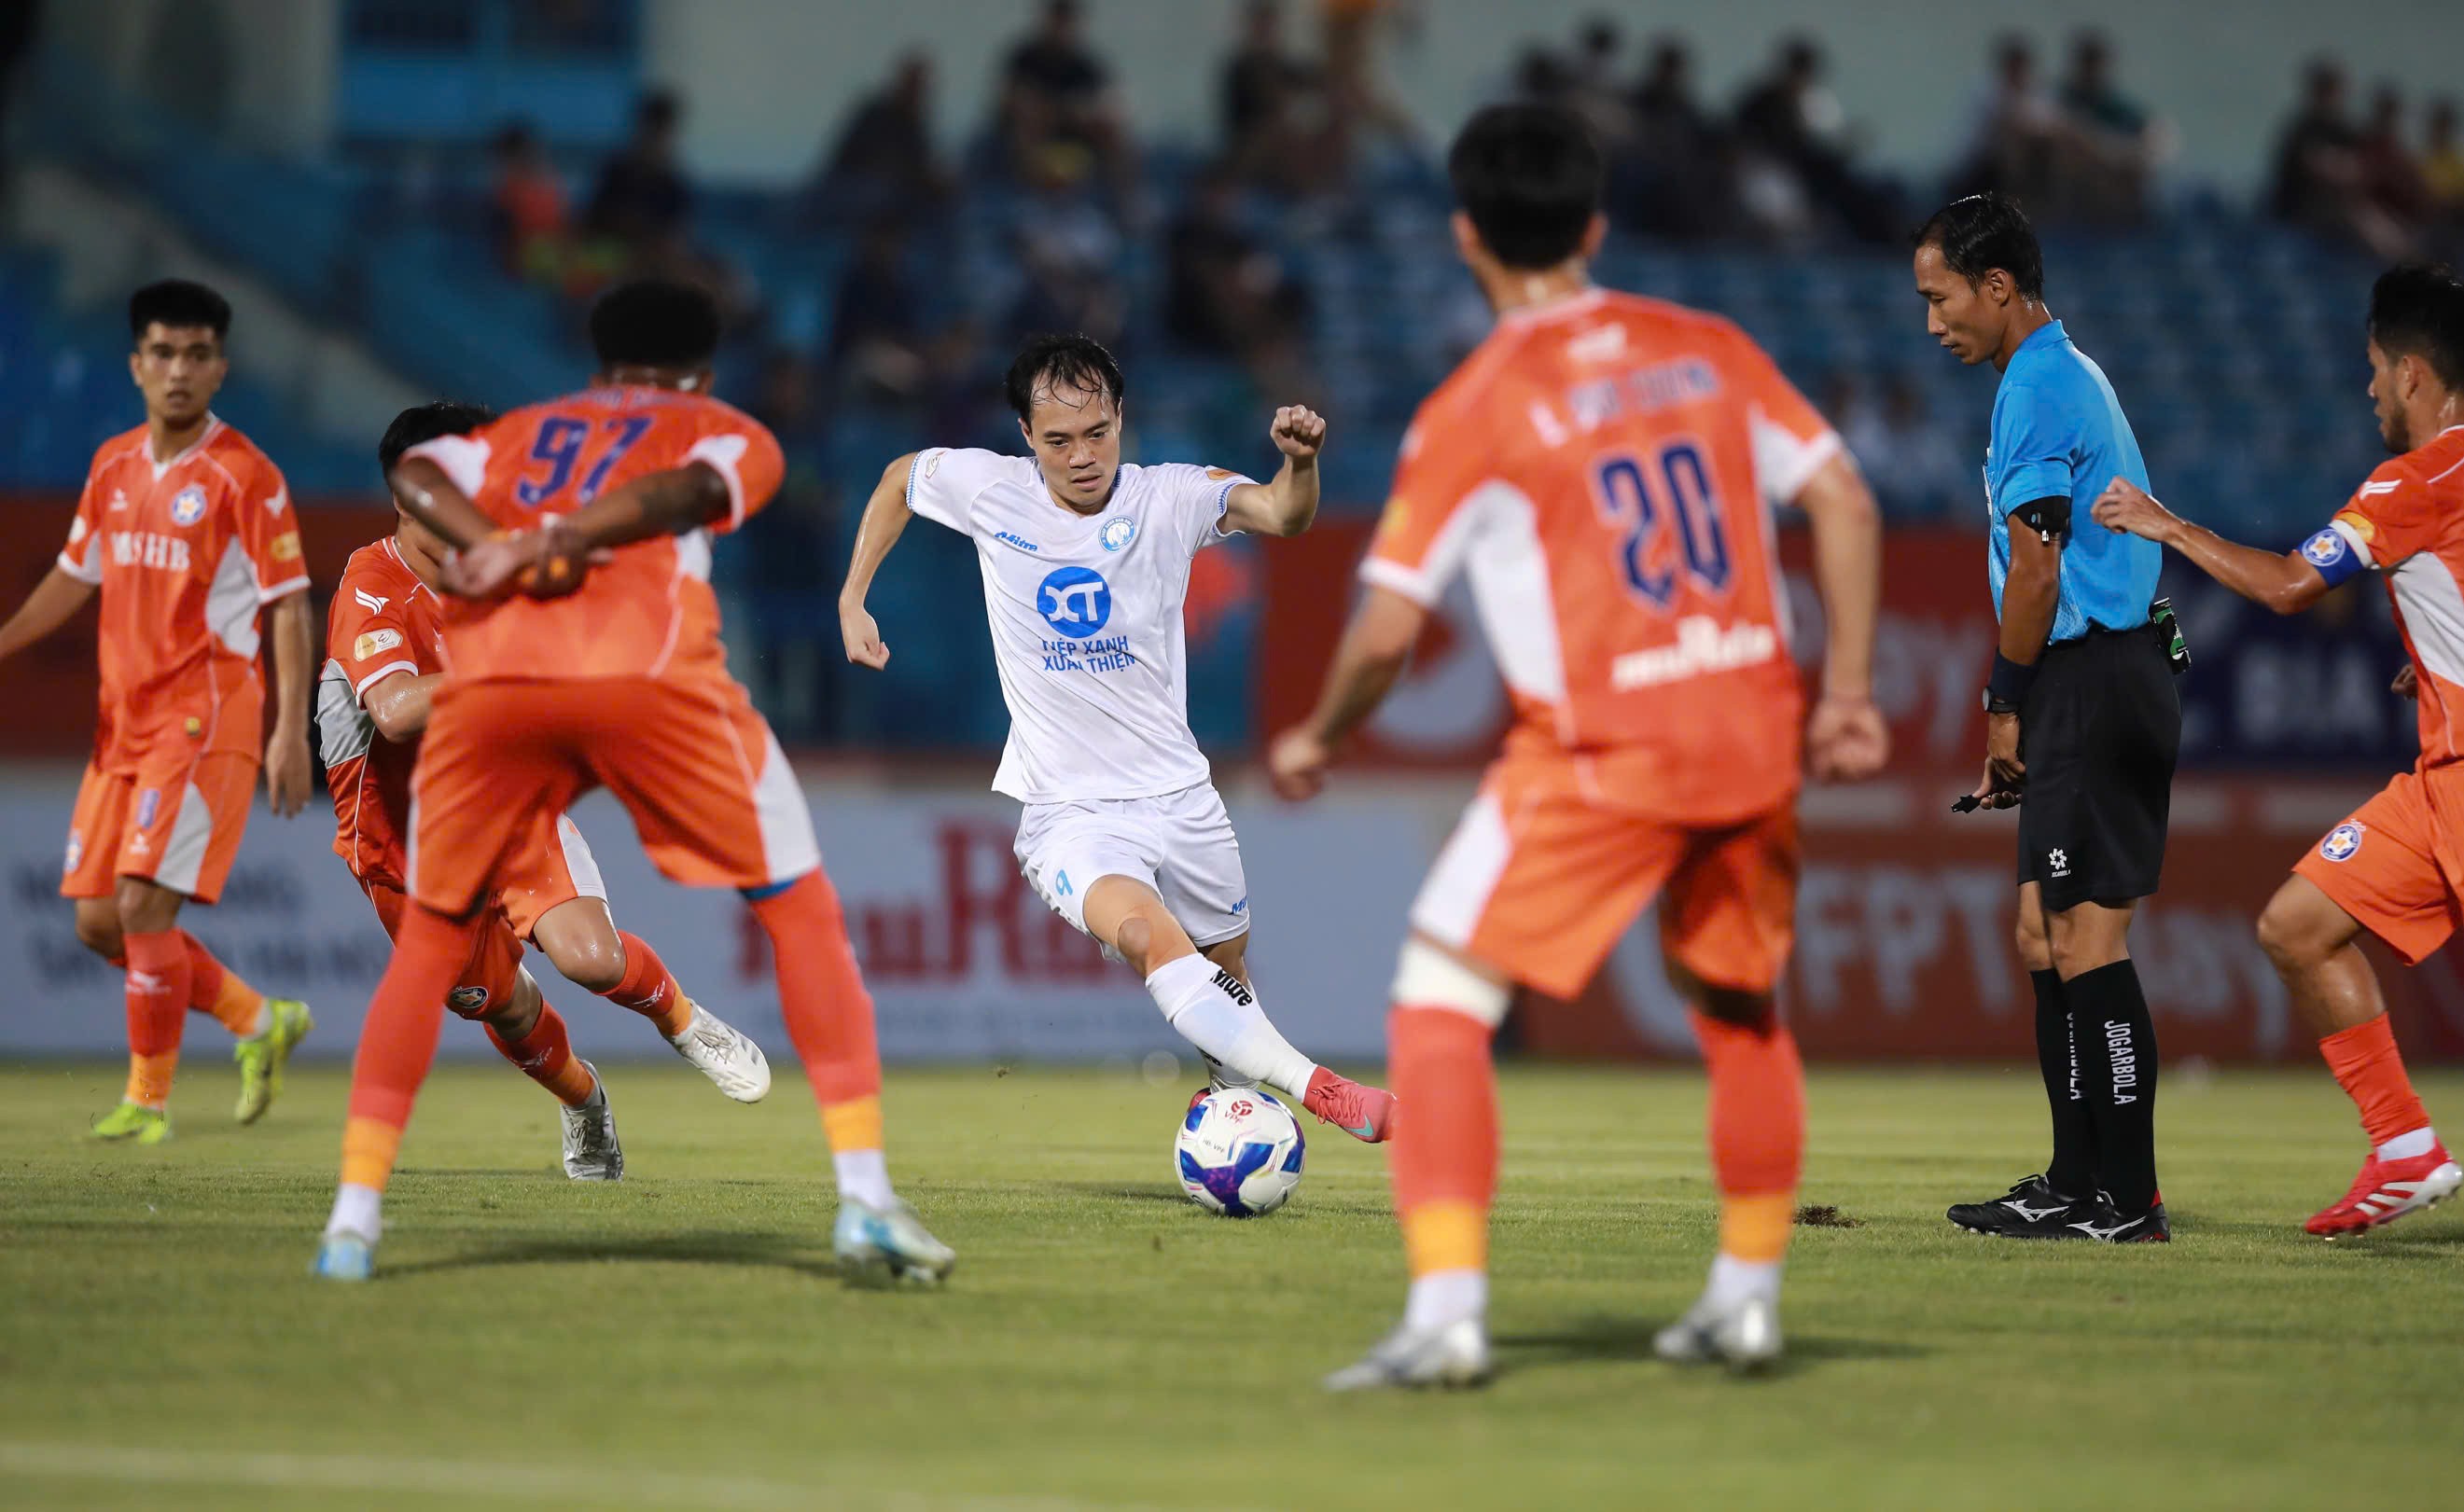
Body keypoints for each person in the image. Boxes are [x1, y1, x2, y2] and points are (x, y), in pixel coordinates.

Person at [1273, 103, 1889, 1388]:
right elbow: (1841, 494)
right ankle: (1746, 1300)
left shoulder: (1475, 405)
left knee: (1439, 998)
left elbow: (1386, 631)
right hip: (1752, 729)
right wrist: (1845, 692)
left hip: (1604, 748)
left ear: (1465, 237)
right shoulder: (1709, 348)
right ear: (1594, 227)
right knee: (1739, 1009)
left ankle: (1446, 1316)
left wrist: (1319, 733)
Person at [311, 280, 954, 1286]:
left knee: (501, 953)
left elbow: (426, 476)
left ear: (599, 361)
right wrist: (570, 539)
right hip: (653, 683)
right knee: (798, 909)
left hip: (510, 710)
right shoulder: (725, 429)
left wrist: (505, 543)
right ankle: (865, 1198)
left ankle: (352, 1223)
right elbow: (688, 493)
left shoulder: (525, 435)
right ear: (701, 372)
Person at [837, 333, 1396, 1144]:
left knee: (1224, 970)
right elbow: (899, 478)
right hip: (1070, 811)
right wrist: (853, 595)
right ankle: (1322, 1089)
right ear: (1026, 436)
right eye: (1058, 440)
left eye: (1096, 433)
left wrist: (1300, 463)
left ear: (1120, 419)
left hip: (1180, 795)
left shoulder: (1169, 496)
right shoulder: (990, 490)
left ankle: (1234, 1113)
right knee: (1143, 935)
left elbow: (1282, 513)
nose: (1081, 456)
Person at [2091, 263, 2464, 1238]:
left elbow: (2293, 585)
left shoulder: (2411, 479)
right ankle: (2402, 1146)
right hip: (2434, 782)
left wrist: (2168, 525)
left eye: (2375, 369)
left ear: (2413, 373)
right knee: (2297, 925)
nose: (2369, 389)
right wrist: (2433, 662)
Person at [317, 400, 775, 1179]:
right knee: (496, 1002)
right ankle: (584, 1099)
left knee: (591, 958)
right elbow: (393, 711)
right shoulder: (372, 585)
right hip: (401, 843)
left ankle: (685, 1022)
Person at [1914, 193, 2176, 1244]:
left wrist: (2003, 705)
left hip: (2093, 674)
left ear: (1996, 286)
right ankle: (2075, 1181)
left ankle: (2129, 1200)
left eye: (1940, 298)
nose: (1931, 321)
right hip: (2092, 673)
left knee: (2084, 936)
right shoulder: (2056, 372)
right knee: (2040, 933)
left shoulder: (2035, 385)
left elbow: (2036, 567)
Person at [0, 280, 314, 1143]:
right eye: (164, 353)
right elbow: (74, 573)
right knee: (98, 922)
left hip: (205, 719)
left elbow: (290, 602)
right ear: (137, 364)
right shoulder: (112, 463)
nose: (180, 370)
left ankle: (147, 1100)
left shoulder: (246, 475)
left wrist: (291, 729)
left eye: (197, 355)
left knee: (142, 907)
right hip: (122, 728)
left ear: (221, 369)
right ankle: (260, 1018)